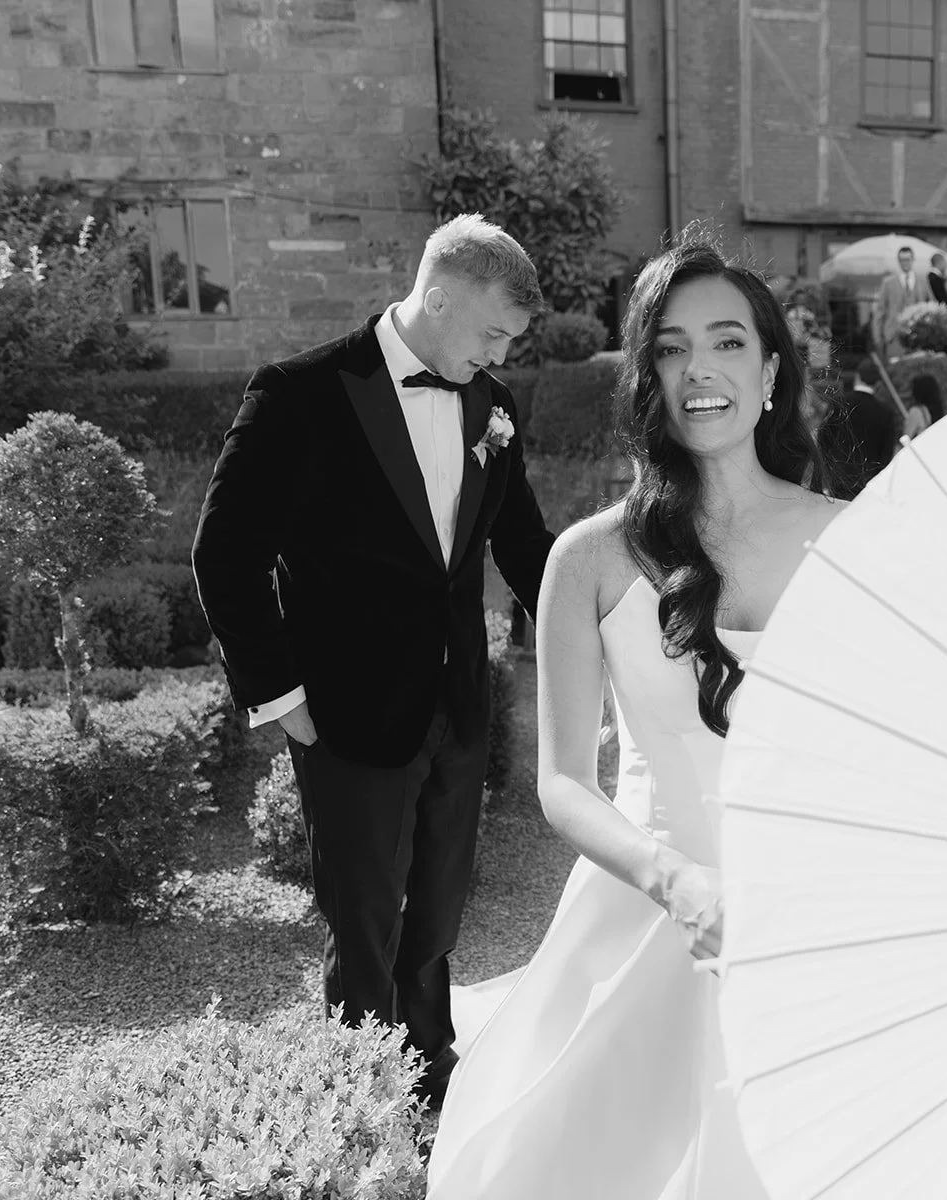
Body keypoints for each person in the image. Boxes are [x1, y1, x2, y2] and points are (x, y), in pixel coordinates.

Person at [425, 230, 847, 1198]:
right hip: (648, 907)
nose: (700, 367)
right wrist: (678, 882)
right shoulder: (587, 558)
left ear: (771, 368)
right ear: (647, 378)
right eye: (670, 346)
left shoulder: (853, 540)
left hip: (814, 915)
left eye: (729, 341)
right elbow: (563, 783)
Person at [191, 215, 558, 1115]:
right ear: (438, 297)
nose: (503, 354)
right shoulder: (299, 394)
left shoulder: (494, 407)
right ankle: (364, 1105)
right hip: (346, 714)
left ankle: (434, 1081)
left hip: (459, 707)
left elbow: (523, 546)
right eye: (494, 333)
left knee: (435, 915)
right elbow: (223, 553)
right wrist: (279, 696)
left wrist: (612, 637)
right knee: (363, 926)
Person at [819, 355, 901, 500]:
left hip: (839, 477)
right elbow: (886, 454)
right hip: (870, 481)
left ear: (857, 376)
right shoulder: (886, 412)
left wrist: (828, 468)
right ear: (878, 384)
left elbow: (824, 438)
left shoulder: (839, 404)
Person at [871, 244, 933, 360]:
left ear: (913, 260)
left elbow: (931, 307)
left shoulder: (923, 281)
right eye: (902, 260)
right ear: (898, 261)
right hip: (894, 335)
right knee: (895, 368)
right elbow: (880, 311)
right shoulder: (888, 283)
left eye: (908, 259)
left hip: (918, 335)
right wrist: (877, 337)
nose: (905, 262)